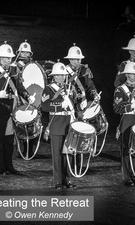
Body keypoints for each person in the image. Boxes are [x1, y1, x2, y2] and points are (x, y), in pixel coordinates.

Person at [0, 41, 35, 175]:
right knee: (0, 140)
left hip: (12, 108)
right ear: (0, 58)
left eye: (10, 58)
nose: (8, 60)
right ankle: (1, 168)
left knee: (10, 140)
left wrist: (28, 96)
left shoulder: (13, 70)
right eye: (6, 58)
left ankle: (9, 166)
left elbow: (19, 87)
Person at [41, 61, 77, 190]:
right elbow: (44, 106)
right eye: (59, 75)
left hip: (69, 123)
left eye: (64, 75)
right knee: (57, 154)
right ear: (54, 76)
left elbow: (75, 105)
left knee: (69, 153)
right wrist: (60, 105)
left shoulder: (70, 88)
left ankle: (68, 179)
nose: (62, 77)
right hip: (56, 123)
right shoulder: (49, 89)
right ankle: (58, 181)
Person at [64, 43, 100, 114]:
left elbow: (90, 85)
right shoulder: (64, 71)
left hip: (84, 102)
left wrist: (95, 94)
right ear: (70, 59)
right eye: (76, 59)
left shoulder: (84, 69)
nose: (79, 61)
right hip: (69, 104)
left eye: (79, 59)